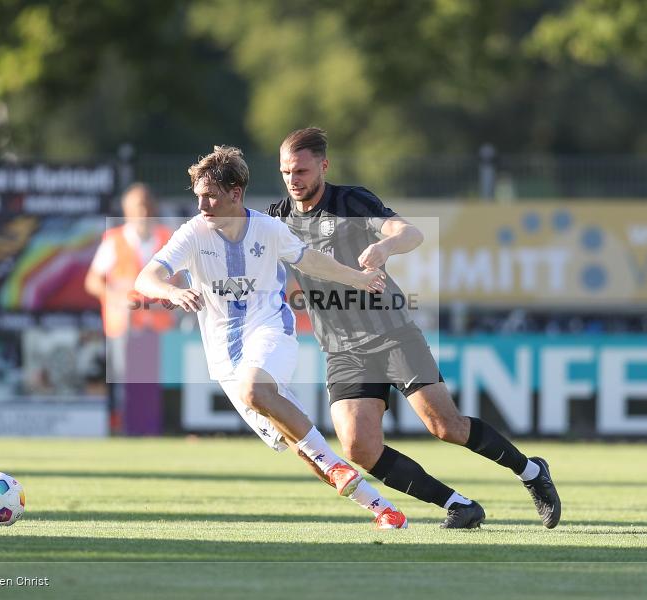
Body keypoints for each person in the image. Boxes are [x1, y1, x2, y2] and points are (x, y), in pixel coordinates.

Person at [268, 127, 560, 529]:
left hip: (391, 333)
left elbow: (410, 232)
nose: (293, 180)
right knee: (358, 446)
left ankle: (531, 472)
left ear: (323, 165)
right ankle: (459, 505)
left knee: (446, 427)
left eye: (301, 170)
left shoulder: (351, 200)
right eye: (286, 172)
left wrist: (385, 246)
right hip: (342, 349)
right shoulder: (277, 217)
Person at [135, 145, 408, 529]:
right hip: (222, 356)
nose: (202, 205)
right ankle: (381, 507)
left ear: (236, 192)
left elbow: (312, 260)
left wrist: (358, 279)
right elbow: (145, 277)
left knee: (255, 391)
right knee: (298, 443)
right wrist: (171, 291)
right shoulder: (192, 233)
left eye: (210, 195)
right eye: (198, 196)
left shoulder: (268, 229)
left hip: (270, 329)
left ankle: (338, 469)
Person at [85, 183, 175, 435]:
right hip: (122, 326)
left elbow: (179, 278)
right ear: (127, 211)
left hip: (157, 326)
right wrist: (115, 297)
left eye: (147, 205)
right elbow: (92, 281)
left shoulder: (167, 238)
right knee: (125, 385)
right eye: (137, 207)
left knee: (156, 387)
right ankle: (123, 430)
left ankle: (156, 430)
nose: (143, 212)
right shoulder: (114, 240)